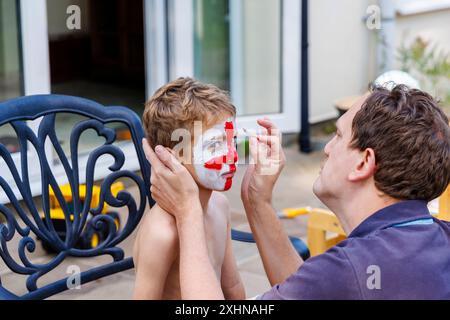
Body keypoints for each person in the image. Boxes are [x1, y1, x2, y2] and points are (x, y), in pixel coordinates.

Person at [144, 84, 450, 299]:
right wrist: (257, 201)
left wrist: (188, 215)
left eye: (338, 136)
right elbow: (313, 290)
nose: (326, 149)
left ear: (364, 162)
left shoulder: (350, 269)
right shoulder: (438, 238)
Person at [133, 77, 245, 300]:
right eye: (214, 145)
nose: (232, 155)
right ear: (172, 156)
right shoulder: (162, 233)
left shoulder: (220, 206)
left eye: (232, 141)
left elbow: (232, 286)